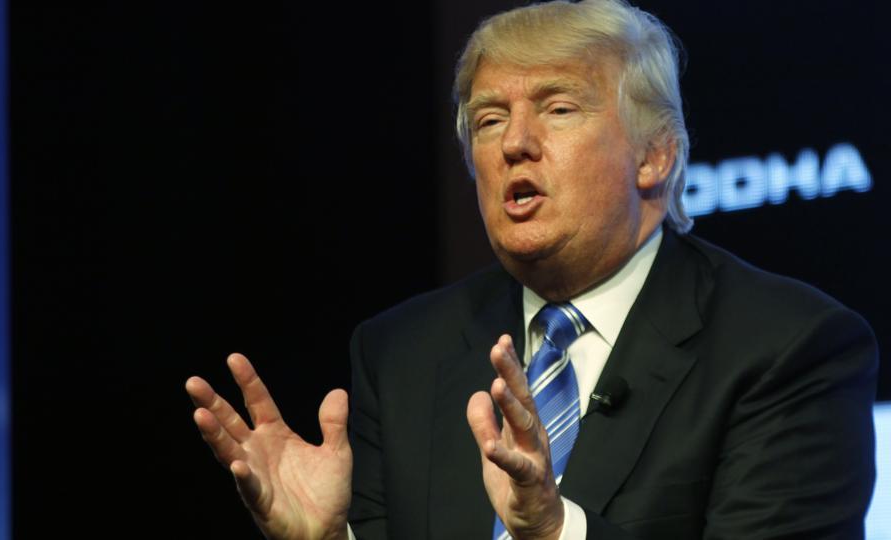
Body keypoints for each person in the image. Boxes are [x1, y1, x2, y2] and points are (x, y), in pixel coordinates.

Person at [185, 0, 878, 538]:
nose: (515, 142)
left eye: (558, 107)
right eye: (489, 120)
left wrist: (555, 531)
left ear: (654, 155)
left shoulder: (790, 348)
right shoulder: (401, 354)